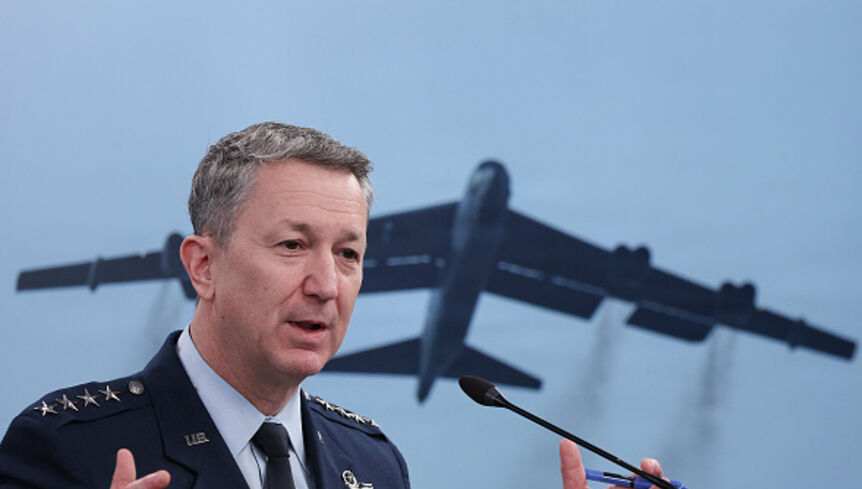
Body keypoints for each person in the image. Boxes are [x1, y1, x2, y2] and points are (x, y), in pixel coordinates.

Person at [0, 122, 666, 489]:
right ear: (203, 266)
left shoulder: (373, 463)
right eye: (293, 245)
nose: (326, 284)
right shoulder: (69, 449)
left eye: (349, 254)